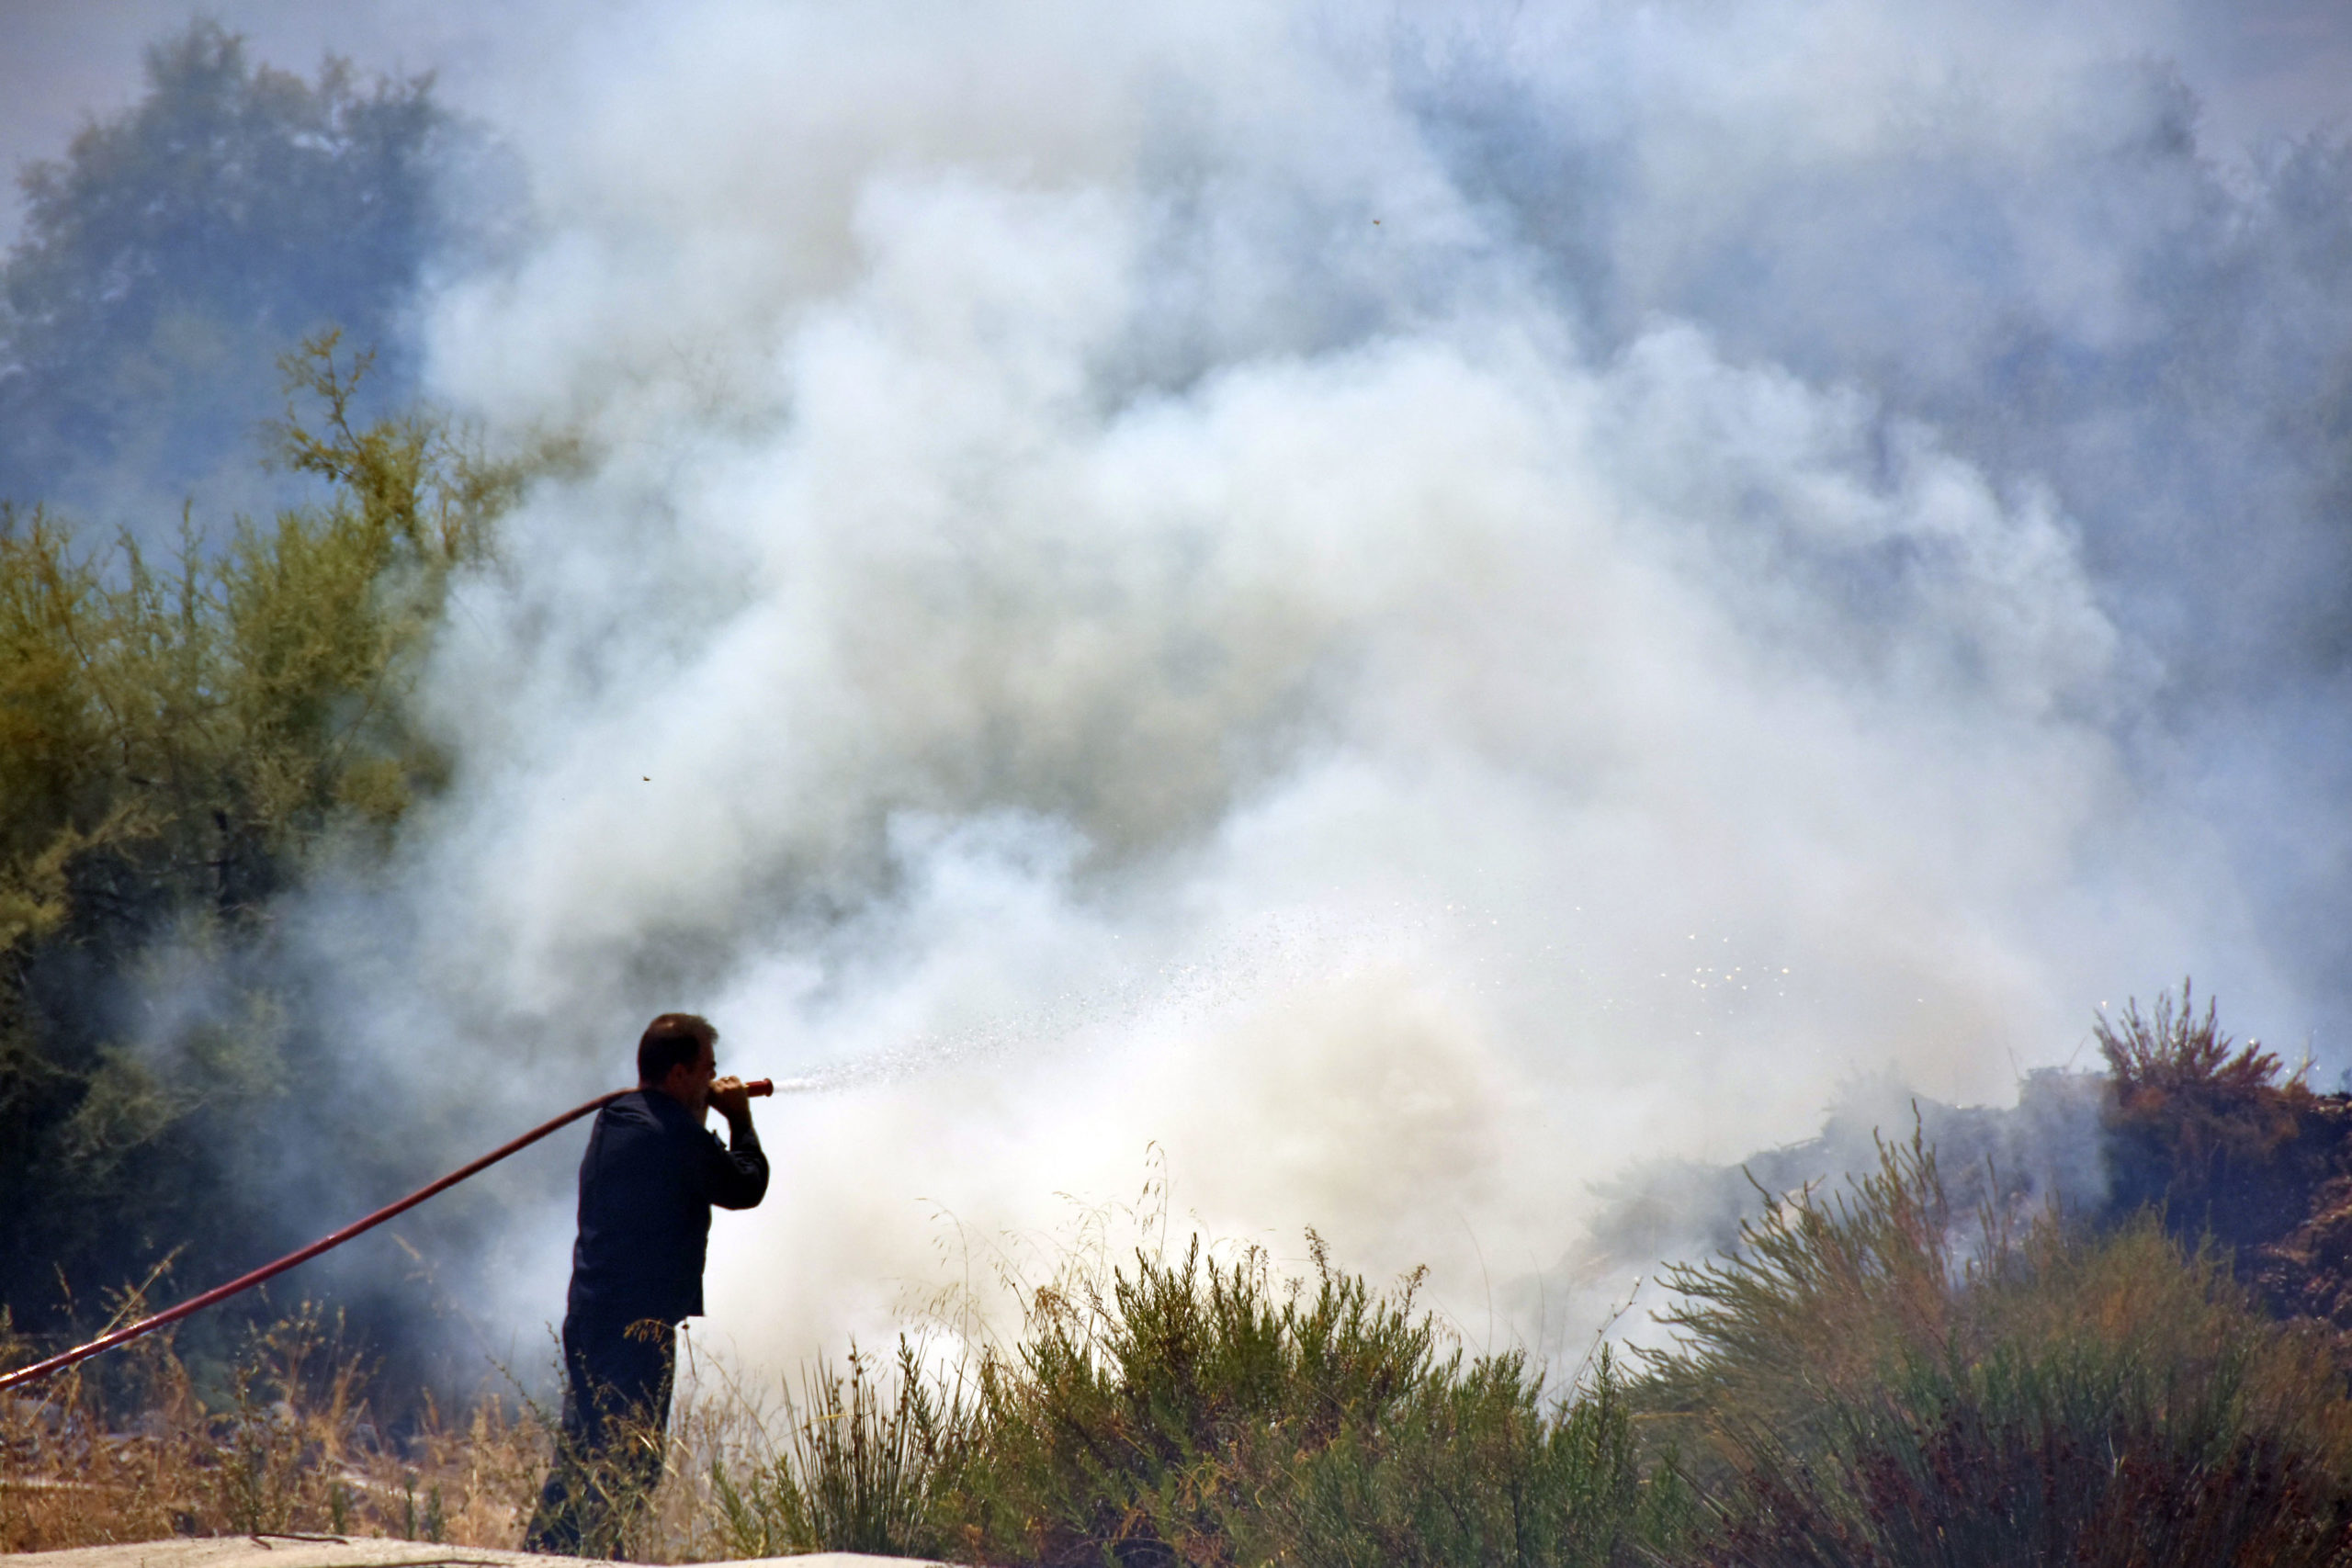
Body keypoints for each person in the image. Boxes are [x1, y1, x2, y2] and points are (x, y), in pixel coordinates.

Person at [524, 1013, 769, 1557]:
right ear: (680, 1072)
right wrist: (740, 1120)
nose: (715, 1080)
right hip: (637, 1328)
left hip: (590, 1313)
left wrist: (705, 1111)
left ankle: (542, 1555)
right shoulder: (672, 1136)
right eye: (708, 1070)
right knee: (630, 1464)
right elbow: (745, 1185)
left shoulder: (618, 1117)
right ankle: (599, 1557)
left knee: (583, 1452)